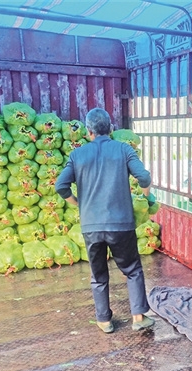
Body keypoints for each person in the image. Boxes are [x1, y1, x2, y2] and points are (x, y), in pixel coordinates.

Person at [56, 108, 155, 334]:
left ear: (88, 131)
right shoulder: (123, 149)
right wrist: (147, 197)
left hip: (91, 226)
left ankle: (104, 320)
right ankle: (138, 317)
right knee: (132, 269)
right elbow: (144, 177)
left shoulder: (77, 155)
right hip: (121, 224)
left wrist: (77, 202)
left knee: (98, 274)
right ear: (110, 129)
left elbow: (61, 186)